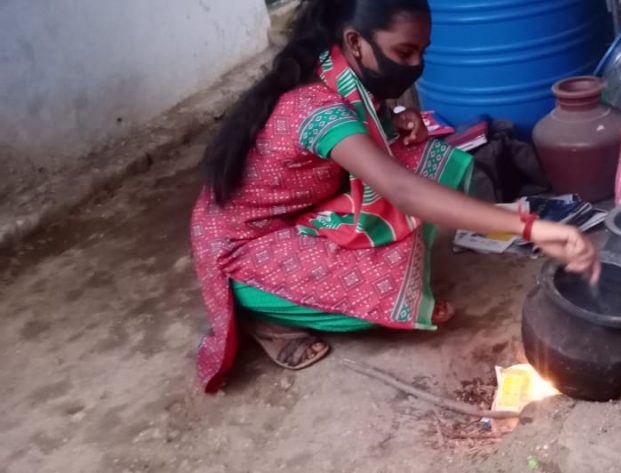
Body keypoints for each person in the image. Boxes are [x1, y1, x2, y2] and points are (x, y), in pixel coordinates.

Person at [191, 0, 600, 393]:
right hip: (241, 244)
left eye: (421, 53)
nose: (415, 67)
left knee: (420, 160)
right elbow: (402, 191)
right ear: (355, 42)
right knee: (376, 295)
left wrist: (396, 120)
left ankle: (344, 286)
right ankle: (260, 313)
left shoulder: (337, 68)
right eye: (403, 52)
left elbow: (368, 130)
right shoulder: (313, 109)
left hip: (296, 211)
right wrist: (528, 225)